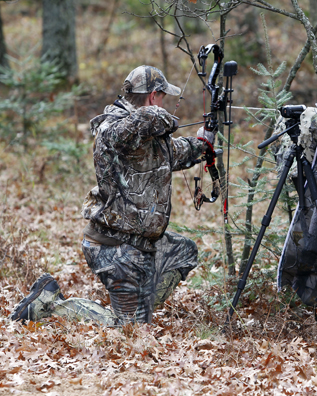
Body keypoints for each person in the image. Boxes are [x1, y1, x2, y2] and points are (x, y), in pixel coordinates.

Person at [11, 65, 215, 325]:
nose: (165, 104)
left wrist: (202, 143)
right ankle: (51, 304)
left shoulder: (142, 135)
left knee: (184, 252)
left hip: (138, 243)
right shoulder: (115, 128)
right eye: (163, 97)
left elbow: (171, 153)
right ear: (153, 97)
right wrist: (163, 117)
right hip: (115, 247)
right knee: (128, 329)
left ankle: (139, 303)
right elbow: (130, 129)